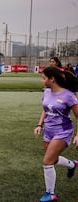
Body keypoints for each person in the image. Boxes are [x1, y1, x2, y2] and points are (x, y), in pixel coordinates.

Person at [33, 66, 78, 202]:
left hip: (63, 132)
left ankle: (50, 194)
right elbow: (45, 109)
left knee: (47, 161)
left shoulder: (69, 96)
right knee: (53, 158)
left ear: (52, 79)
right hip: (48, 131)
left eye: (44, 78)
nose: (43, 81)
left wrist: (77, 135)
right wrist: (39, 125)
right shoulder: (46, 92)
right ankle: (72, 164)